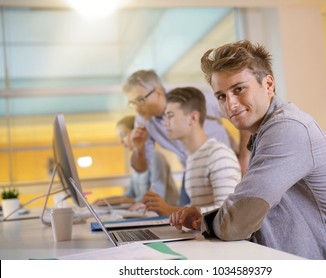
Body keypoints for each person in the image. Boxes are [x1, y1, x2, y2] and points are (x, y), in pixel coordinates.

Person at [169, 40, 326, 260]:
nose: (230, 104)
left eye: (239, 89)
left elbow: (237, 221)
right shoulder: (266, 133)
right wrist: (203, 219)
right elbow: (242, 213)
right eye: (221, 96)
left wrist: (207, 222)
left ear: (268, 85)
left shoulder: (288, 128)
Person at [123, 70, 250, 205]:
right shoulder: (143, 121)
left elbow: (242, 115)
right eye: (132, 103)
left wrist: (244, 158)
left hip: (223, 163)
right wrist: (138, 148)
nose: (136, 109)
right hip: (192, 167)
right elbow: (141, 168)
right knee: (186, 217)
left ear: (158, 93)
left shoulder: (188, 99)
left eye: (140, 100)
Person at [143, 87, 242, 216]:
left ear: (193, 118)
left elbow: (228, 212)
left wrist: (169, 210)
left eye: (170, 116)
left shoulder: (219, 156)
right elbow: (197, 208)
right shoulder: (192, 159)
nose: (165, 123)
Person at [94, 115, 178, 207]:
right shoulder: (137, 163)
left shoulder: (156, 158)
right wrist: (105, 201)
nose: (121, 141)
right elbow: (129, 195)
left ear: (137, 133)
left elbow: (157, 197)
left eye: (123, 135)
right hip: (145, 211)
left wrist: (124, 201)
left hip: (164, 215)